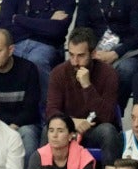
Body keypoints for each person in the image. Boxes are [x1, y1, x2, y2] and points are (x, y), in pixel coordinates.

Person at [46, 28, 121, 158]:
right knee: (47, 131)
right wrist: (71, 122)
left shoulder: (109, 74)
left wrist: (87, 86)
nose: (75, 61)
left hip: (95, 130)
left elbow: (108, 117)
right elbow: (51, 111)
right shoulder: (58, 73)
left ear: (93, 54)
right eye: (71, 55)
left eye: (81, 56)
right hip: (67, 128)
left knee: (108, 131)